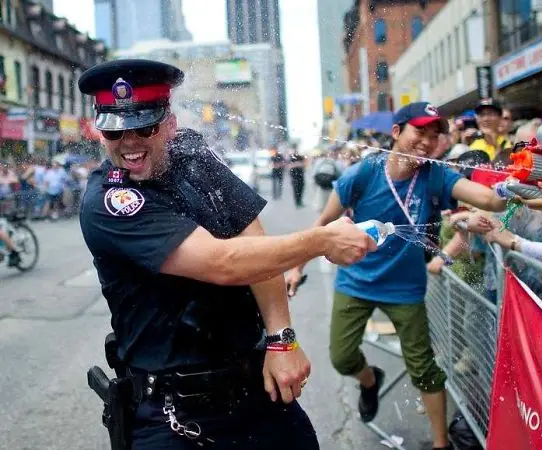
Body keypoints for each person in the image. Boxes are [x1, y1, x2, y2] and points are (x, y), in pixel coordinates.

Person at [77, 59, 377, 450]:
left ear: (169, 124)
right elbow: (225, 263)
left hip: (256, 388)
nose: (130, 143)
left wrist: (281, 338)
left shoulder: (193, 156)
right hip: (173, 414)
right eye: (116, 132)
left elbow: (252, 243)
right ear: (101, 133)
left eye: (144, 127)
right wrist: (320, 240)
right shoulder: (110, 201)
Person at [287, 102, 507, 450]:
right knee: (342, 357)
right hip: (355, 280)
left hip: (405, 288)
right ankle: (370, 380)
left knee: (423, 369)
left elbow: (490, 201)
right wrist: (297, 266)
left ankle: (440, 444)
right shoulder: (363, 173)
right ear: (396, 132)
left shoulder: (436, 174)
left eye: (435, 136)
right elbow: (323, 226)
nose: (428, 141)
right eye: (420, 131)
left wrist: (512, 188)